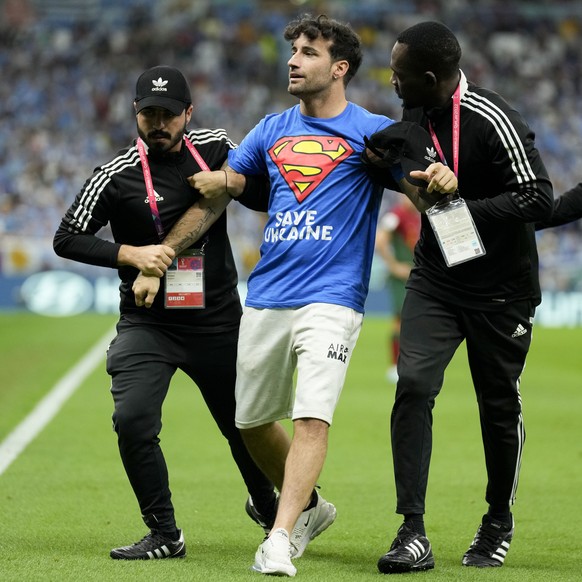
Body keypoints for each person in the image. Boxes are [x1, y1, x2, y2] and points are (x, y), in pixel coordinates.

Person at [133, 15, 458, 577]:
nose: (293, 60)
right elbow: (217, 198)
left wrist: (438, 182)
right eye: (293, 51)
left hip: (333, 296)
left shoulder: (373, 131)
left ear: (339, 68)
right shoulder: (269, 130)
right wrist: (164, 253)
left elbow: (424, 200)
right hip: (268, 295)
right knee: (251, 421)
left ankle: (280, 537)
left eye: (308, 52)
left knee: (312, 416)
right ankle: (311, 508)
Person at [53, 65, 278, 560]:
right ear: (135, 114)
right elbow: (65, 237)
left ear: (188, 114)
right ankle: (165, 533)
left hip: (218, 320)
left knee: (243, 425)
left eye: (169, 114)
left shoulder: (219, 146)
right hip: (148, 322)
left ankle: (269, 509)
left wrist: (229, 181)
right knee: (132, 420)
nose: (159, 123)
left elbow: (268, 189)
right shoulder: (114, 176)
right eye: (149, 114)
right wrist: (130, 255)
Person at [372, 22, 554, 574]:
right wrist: (406, 179)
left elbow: (539, 198)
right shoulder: (414, 115)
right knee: (414, 386)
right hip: (437, 278)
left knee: (497, 409)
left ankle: (497, 520)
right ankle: (412, 531)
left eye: (400, 75)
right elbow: (394, 164)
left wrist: (464, 202)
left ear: (430, 78)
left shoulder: (493, 119)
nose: (392, 81)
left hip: (501, 293)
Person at [374, 194, 420, 383]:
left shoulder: (417, 216)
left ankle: (409, 364)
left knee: (416, 321)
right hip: (402, 278)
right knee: (400, 319)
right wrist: (393, 265)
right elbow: (380, 240)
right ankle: (395, 365)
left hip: (416, 275)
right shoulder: (397, 215)